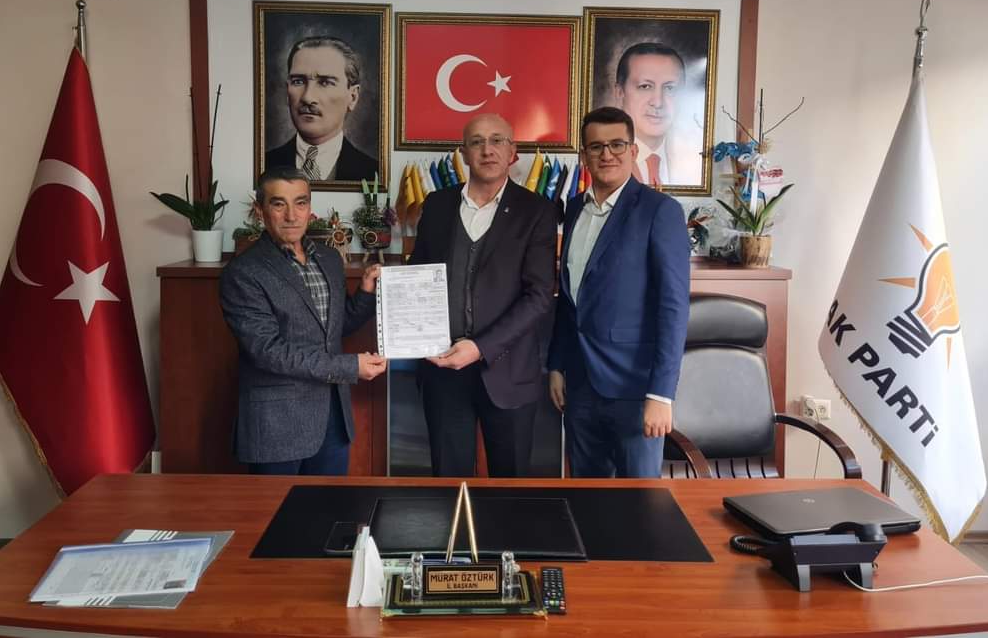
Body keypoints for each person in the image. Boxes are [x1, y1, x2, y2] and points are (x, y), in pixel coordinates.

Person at [408, 113, 557, 477]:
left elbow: (539, 296)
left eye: (496, 141)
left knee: (511, 489)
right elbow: (417, 278)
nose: (487, 150)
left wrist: (480, 347)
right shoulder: (437, 205)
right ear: (463, 152)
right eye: (476, 142)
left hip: (509, 373)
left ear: (512, 151)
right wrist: (385, 284)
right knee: (449, 486)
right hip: (442, 371)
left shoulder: (536, 210)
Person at [547, 106, 690, 478]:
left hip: (634, 389)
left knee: (640, 502)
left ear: (633, 150)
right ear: (584, 155)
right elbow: (570, 300)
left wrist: (661, 394)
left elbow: (673, 308)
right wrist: (557, 364)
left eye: (616, 144)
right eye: (596, 146)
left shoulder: (660, 211)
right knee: (587, 497)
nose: (606, 154)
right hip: (579, 386)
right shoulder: (574, 209)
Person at [219, 166, 387, 474]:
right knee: (276, 507)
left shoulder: (329, 259)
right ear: (260, 210)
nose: (291, 215)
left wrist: (365, 292)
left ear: (310, 207)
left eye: (300, 202)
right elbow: (268, 351)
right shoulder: (243, 272)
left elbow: (334, 329)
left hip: (333, 420)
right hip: (276, 425)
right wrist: (350, 366)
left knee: (327, 505)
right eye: (278, 204)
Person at [264, 36, 379, 182]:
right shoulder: (263, 166)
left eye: (325, 83)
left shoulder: (373, 172)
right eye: (298, 81)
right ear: (287, 91)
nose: (307, 97)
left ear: (353, 97)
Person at [614, 42, 702, 187]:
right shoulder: (602, 161)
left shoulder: (694, 161)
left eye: (670, 88)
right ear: (620, 93)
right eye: (645, 86)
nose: (658, 102)